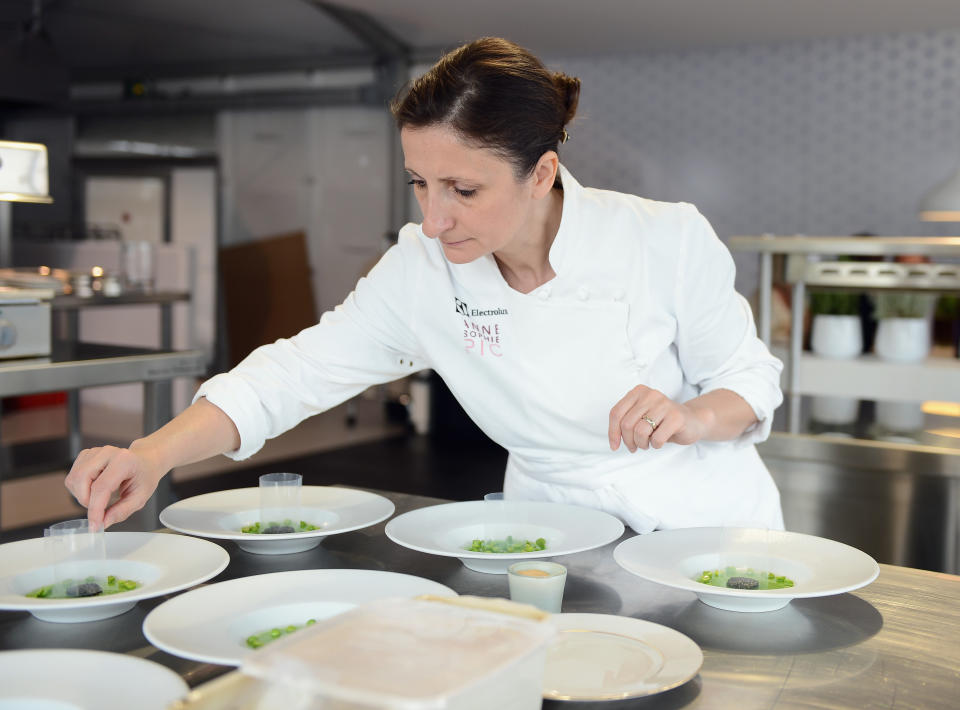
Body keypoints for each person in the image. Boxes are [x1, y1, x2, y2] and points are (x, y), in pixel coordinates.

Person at [65, 37, 784, 533]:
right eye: (419, 184)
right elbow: (295, 373)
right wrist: (152, 453)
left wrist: (692, 419)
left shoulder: (662, 238)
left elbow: (749, 381)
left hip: (696, 526)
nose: (434, 220)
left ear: (541, 173)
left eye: (463, 190)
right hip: (552, 526)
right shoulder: (423, 269)